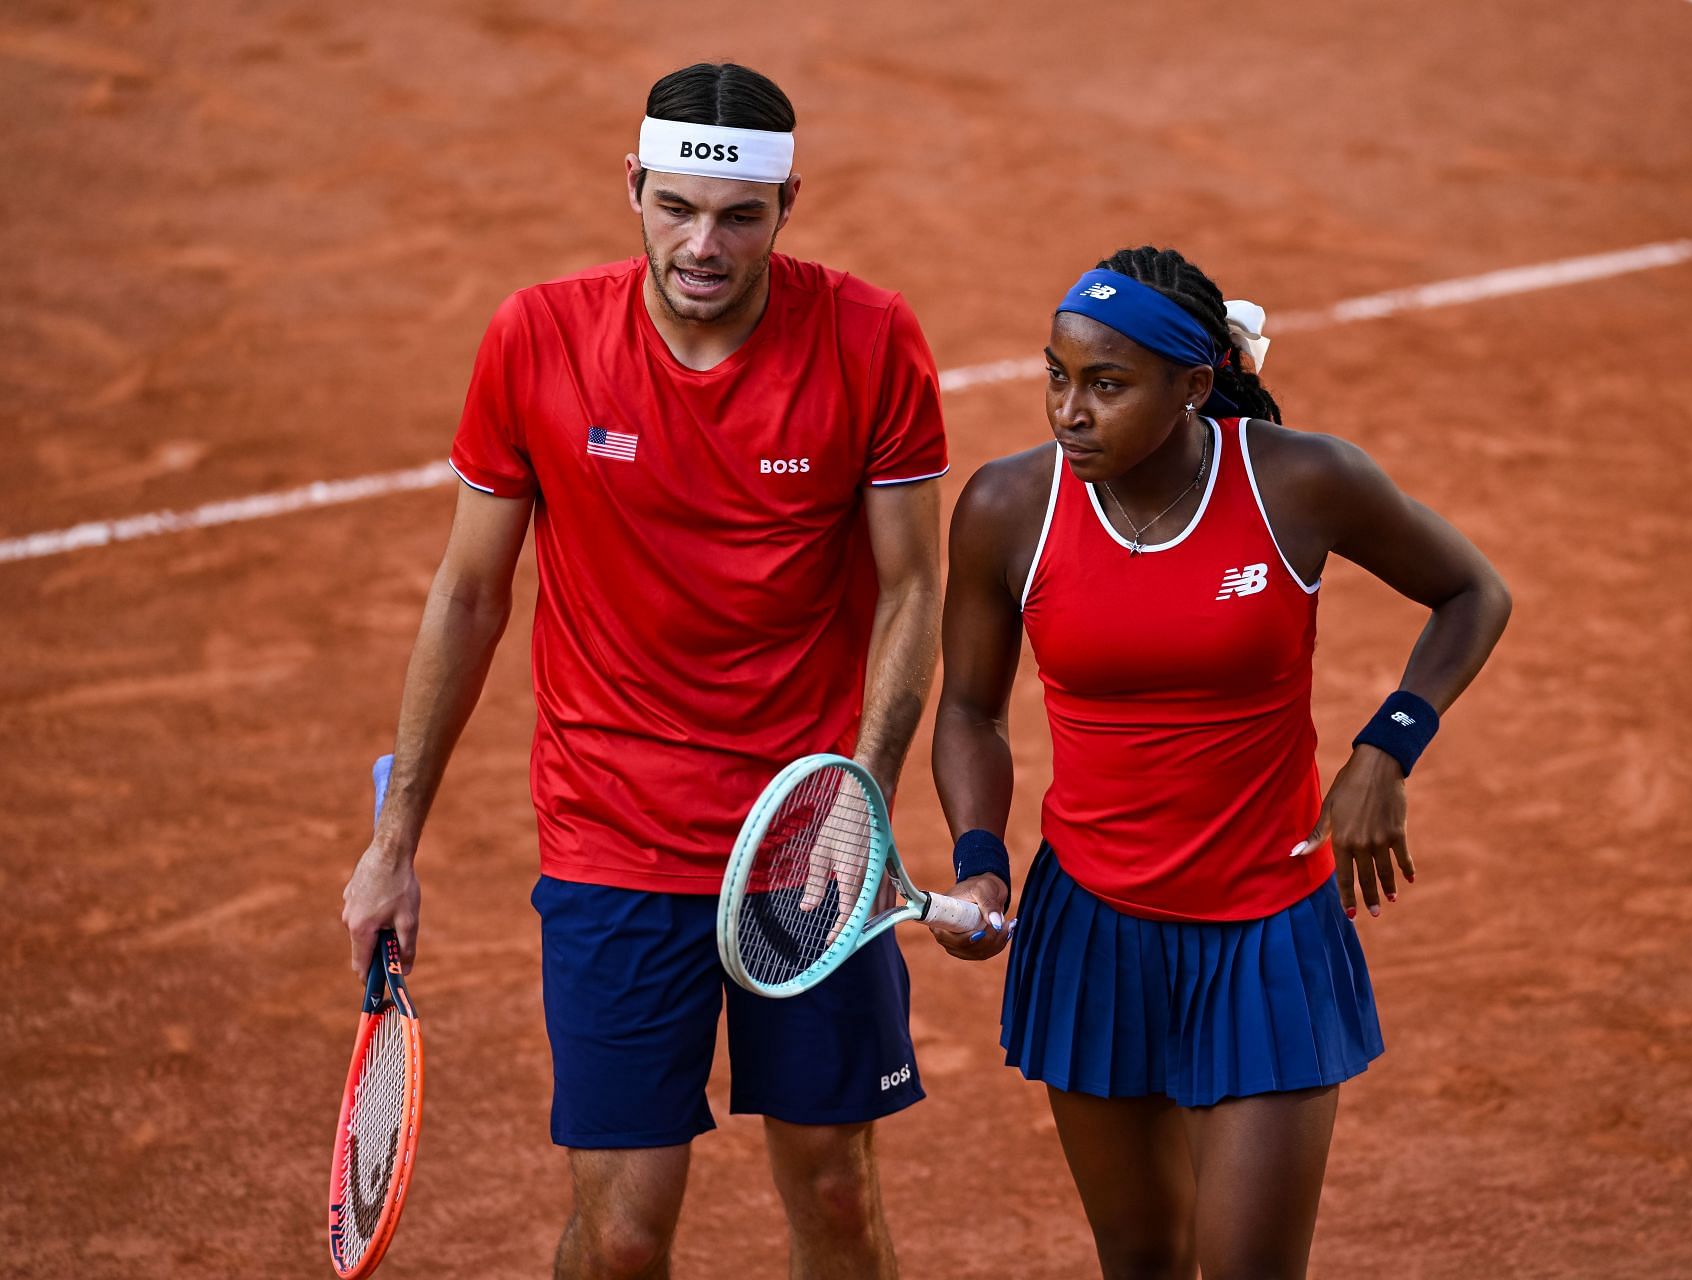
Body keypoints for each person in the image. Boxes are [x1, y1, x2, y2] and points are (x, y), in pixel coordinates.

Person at [340, 62, 948, 1280]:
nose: (703, 245)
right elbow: (469, 595)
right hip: (614, 837)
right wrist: (393, 840)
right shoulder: (538, 337)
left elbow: (913, 590)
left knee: (833, 1191)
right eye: (674, 207)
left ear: (790, 207)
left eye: (739, 216)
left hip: (804, 844)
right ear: (633, 188)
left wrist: (857, 803)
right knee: (621, 1237)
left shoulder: (871, 338)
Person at [929, 246, 1511, 1279]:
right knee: (1144, 1257)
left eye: (1106, 384)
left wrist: (1390, 742)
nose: (1070, 410)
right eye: (1057, 374)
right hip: (1095, 930)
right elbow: (970, 708)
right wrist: (981, 855)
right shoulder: (1009, 507)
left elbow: (1473, 591)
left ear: (1195, 385)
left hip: (1268, 930)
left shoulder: (1299, 480)